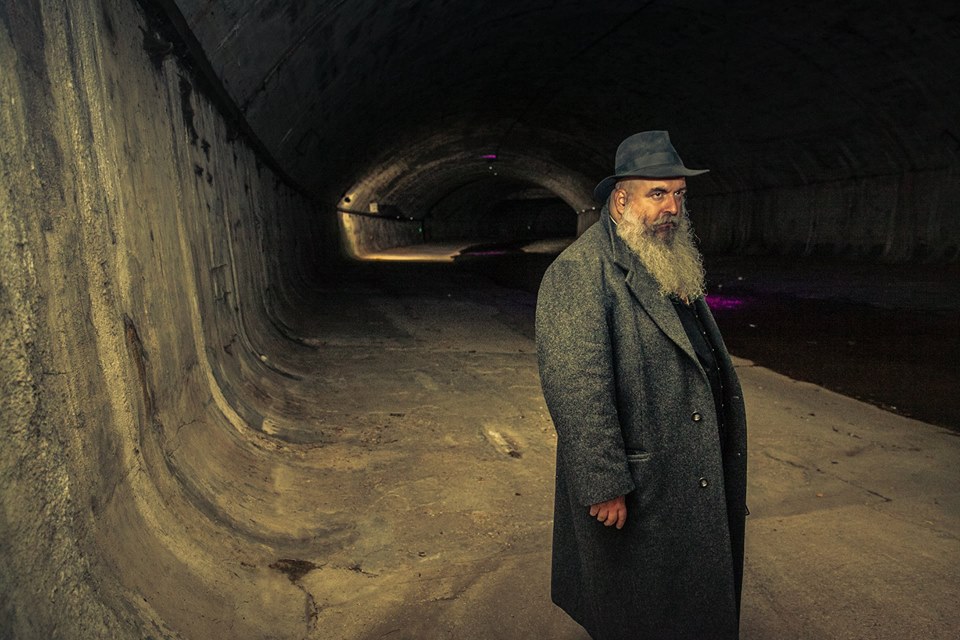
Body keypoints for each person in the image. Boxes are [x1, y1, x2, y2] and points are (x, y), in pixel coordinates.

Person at [535, 131, 748, 639]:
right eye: (658, 194)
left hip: (687, 464)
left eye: (679, 194)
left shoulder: (665, 257)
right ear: (621, 199)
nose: (672, 207)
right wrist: (604, 483)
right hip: (640, 475)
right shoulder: (580, 272)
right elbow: (576, 384)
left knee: (689, 600)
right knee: (640, 607)